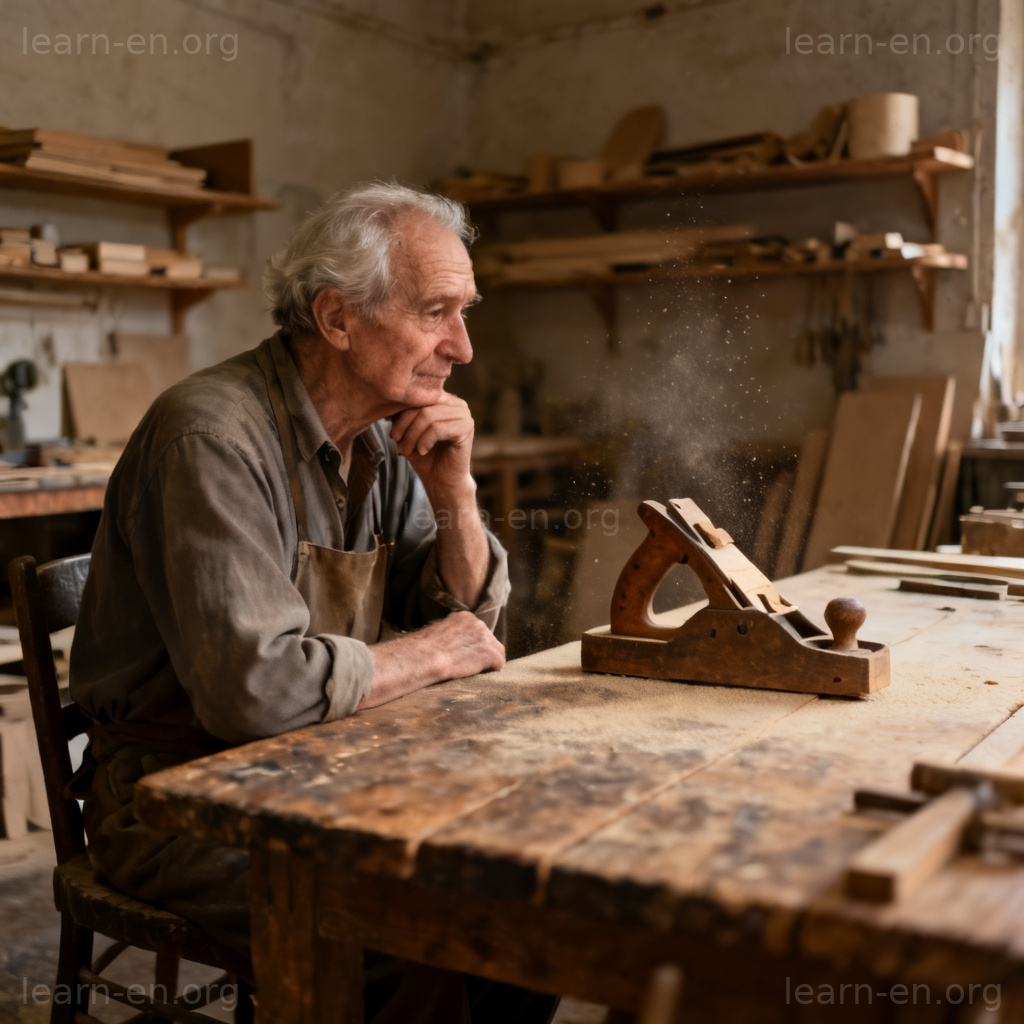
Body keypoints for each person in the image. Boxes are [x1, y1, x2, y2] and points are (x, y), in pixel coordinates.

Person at [69, 182, 558, 1022]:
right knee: (404, 932)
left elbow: (473, 620)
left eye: (464, 312)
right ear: (336, 319)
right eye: (437, 310)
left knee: (525, 901)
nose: (464, 348)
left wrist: (455, 496)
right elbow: (254, 693)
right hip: (173, 795)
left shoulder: (382, 433)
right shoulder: (212, 437)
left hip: (321, 766)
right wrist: (428, 654)